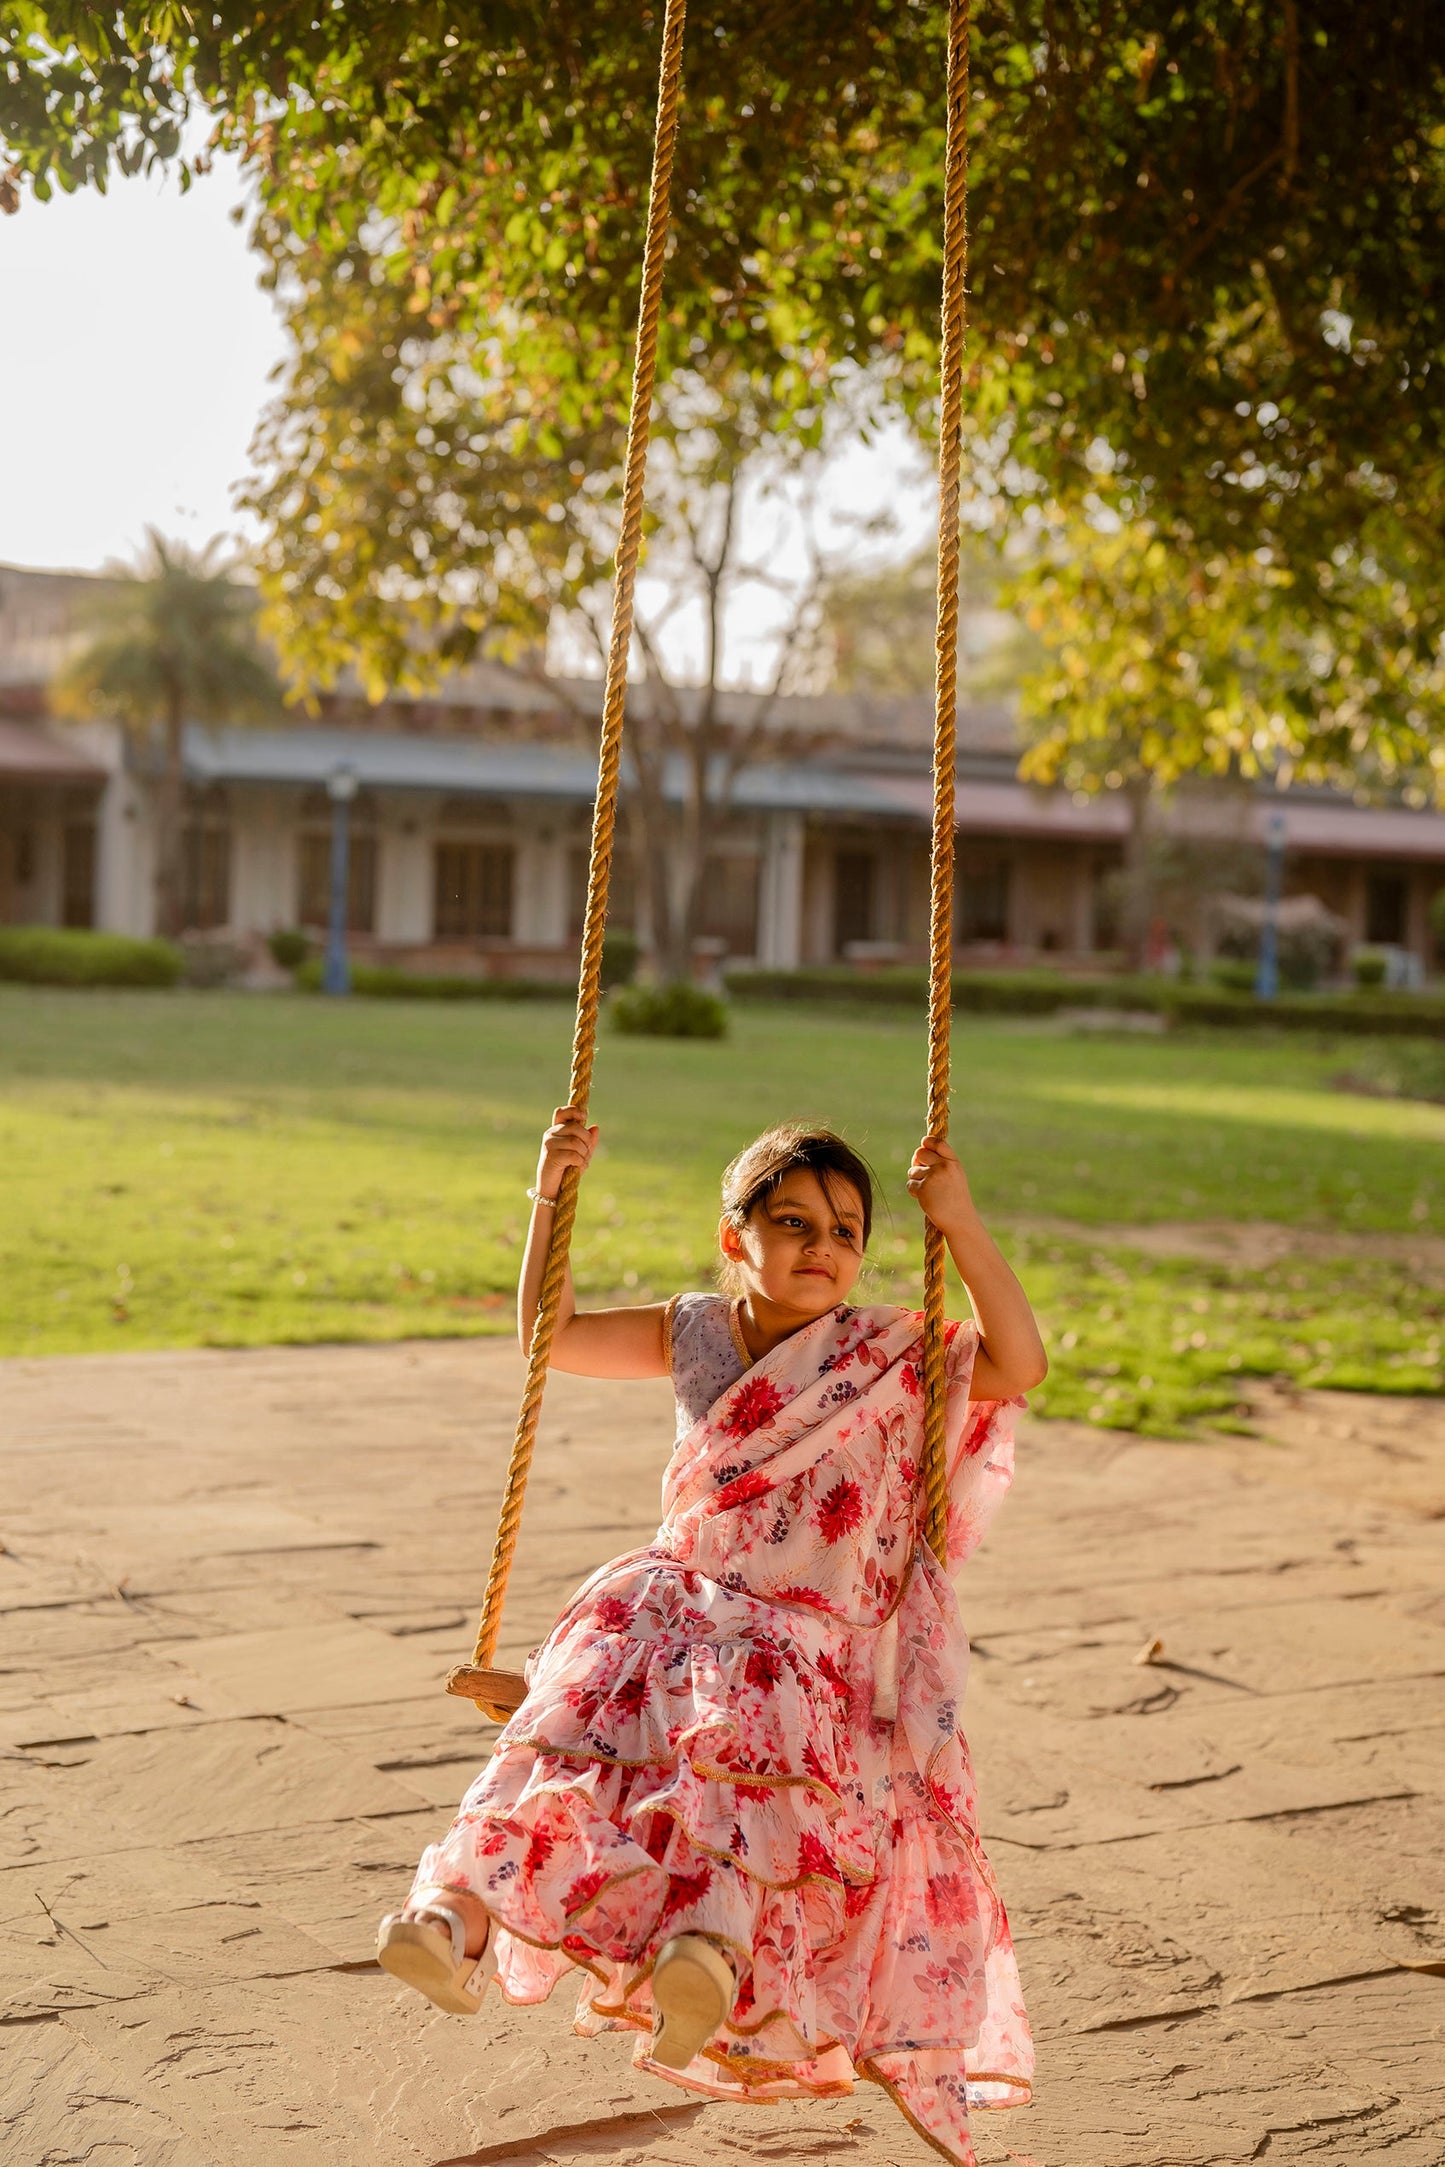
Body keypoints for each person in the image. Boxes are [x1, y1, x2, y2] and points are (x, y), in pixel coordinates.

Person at [378, 1113, 1045, 2167]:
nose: (821, 1246)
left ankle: (703, 1947)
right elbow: (549, 1333)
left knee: (714, 1779)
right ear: (734, 1237)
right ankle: (452, 1917)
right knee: (558, 1758)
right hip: (681, 1604)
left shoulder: (884, 1349)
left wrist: (957, 1223)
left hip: (771, 1633)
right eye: (791, 1222)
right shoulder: (693, 1328)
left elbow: (1016, 1360)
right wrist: (549, 1196)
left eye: (842, 1229)